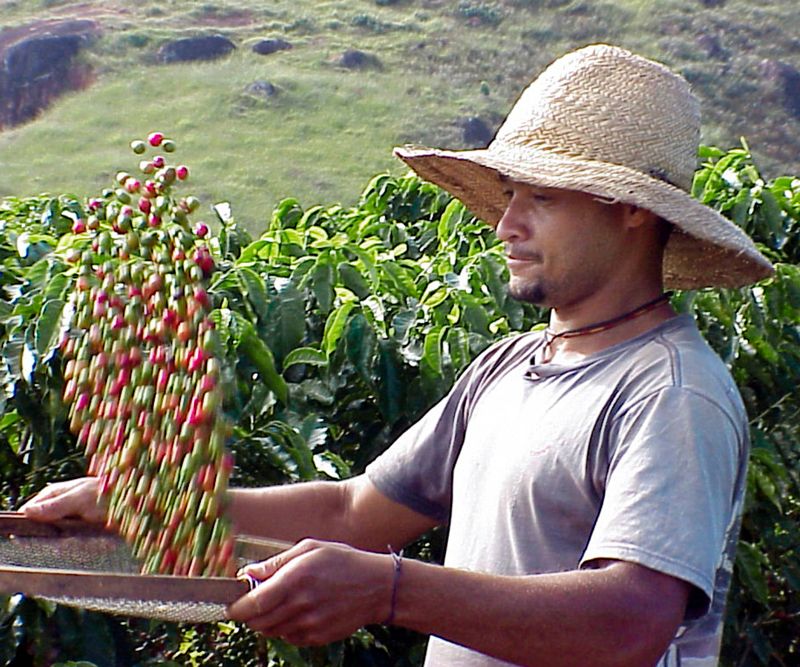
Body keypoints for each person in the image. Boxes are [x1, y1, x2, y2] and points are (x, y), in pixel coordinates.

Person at [22, 44, 774, 666]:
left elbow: (632, 620)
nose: (505, 222)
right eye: (508, 195)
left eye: (538, 198)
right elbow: (356, 511)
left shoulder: (671, 393)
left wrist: (390, 591)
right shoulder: (508, 368)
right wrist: (155, 507)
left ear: (631, 209)